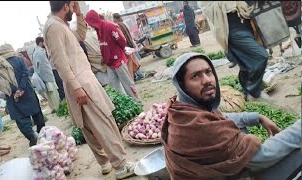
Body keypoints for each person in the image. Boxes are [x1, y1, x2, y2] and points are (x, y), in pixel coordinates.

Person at [161, 53, 302, 180]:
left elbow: (221, 118)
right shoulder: (197, 125)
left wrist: (256, 117)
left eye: (208, 72)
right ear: (182, 86)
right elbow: (263, 155)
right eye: (195, 76)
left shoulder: (180, 110)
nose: (207, 80)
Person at [43, 2, 135, 179]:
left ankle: (105, 164)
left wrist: (78, 15)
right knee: (103, 122)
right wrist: (77, 88)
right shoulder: (54, 27)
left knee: (90, 127)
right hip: (80, 82)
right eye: (73, 5)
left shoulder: (59, 25)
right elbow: (61, 63)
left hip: (80, 80)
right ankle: (121, 166)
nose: (75, 7)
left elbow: (79, 37)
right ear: (66, 5)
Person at [204, 1, 270, 102]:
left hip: (247, 25)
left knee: (245, 65)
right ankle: (253, 90)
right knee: (262, 56)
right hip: (233, 29)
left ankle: (247, 93)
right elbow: (207, 8)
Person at [0, 43, 45, 147]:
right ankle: (43, 133)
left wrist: (14, 90)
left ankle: (31, 135)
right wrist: (21, 89)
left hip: (12, 95)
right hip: (27, 92)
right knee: (36, 113)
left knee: (21, 119)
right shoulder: (19, 59)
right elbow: (25, 74)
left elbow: (0, 82)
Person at [85, 10, 141, 102]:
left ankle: (138, 102)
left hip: (118, 60)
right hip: (109, 63)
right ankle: (125, 103)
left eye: (90, 23)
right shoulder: (98, 30)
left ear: (93, 20)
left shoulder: (109, 26)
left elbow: (122, 40)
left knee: (127, 84)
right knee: (114, 86)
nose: (90, 25)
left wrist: (119, 52)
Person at [112, 13, 144, 81]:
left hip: (126, 45)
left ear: (115, 18)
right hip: (129, 44)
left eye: (113, 18)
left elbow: (121, 37)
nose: (113, 19)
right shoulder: (123, 24)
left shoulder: (118, 25)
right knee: (133, 61)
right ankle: (138, 75)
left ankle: (139, 74)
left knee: (132, 61)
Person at [32, 37, 60, 113]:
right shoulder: (40, 52)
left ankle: (54, 108)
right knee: (53, 94)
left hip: (44, 77)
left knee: (50, 95)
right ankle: (57, 108)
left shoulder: (35, 52)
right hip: (47, 77)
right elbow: (43, 66)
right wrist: (47, 78)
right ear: (41, 43)